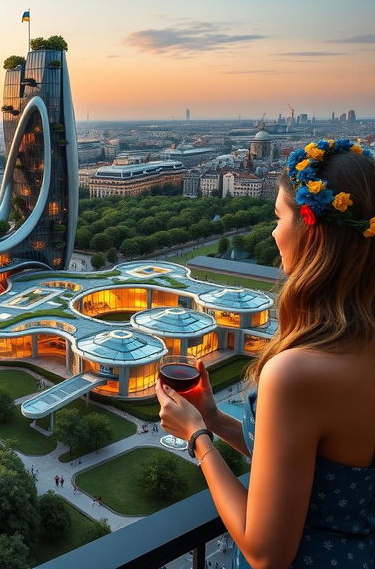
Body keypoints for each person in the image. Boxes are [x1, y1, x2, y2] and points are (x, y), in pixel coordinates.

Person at [156, 140, 375, 568]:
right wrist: (216, 420)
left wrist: (197, 437)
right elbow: (315, 475)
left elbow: (265, 553)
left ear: (312, 230)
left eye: (279, 218)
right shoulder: (360, 345)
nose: (274, 233)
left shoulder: (298, 373)